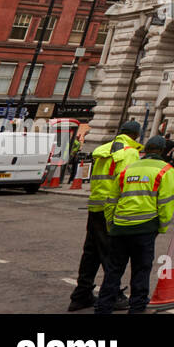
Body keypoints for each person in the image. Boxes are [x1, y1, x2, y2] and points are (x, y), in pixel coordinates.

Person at [96, 136, 174, 315]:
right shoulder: (165, 170)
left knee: (113, 271)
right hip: (145, 229)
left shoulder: (127, 169)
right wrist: (161, 227)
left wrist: (112, 225)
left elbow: (111, 201)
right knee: (141, 270)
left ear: (145, 150)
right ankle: (137, 308)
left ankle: (103, 308)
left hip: (120, 227)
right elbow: (166, 203)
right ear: (163, 151)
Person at [68, 121, 142, 312]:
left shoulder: (103, 149)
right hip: (111, 209)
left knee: (91, 253)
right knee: (112, 254)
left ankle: (81, 294)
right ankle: (113, 294)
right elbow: (126, 179)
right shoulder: (129, 152)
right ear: (135, 135)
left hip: (95, 206)